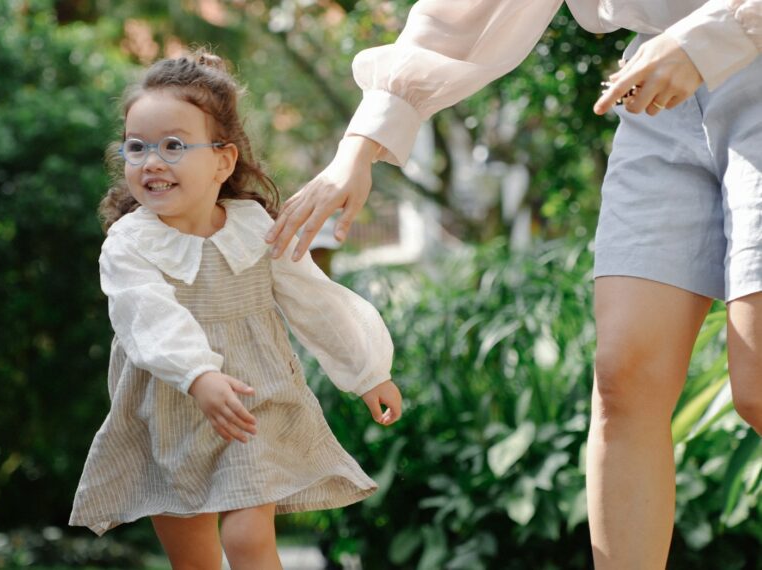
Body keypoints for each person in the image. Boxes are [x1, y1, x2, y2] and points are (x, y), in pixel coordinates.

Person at [264, 1, 762, 568]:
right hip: (655, 93)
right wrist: (359, 149)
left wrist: (716, 34)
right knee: (625, 379)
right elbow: (463, 14)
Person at [68, 52, 402, 570]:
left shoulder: (253, 227)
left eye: (173, 146)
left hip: (250, 405)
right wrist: (199, 375)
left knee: (249, 541)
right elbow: (148, 317)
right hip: (167, 411)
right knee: (196, 561)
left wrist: (367, 371)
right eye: (137, 147)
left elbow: (312, 297)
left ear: (223, 161)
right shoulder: (129, 244)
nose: (151, 161)